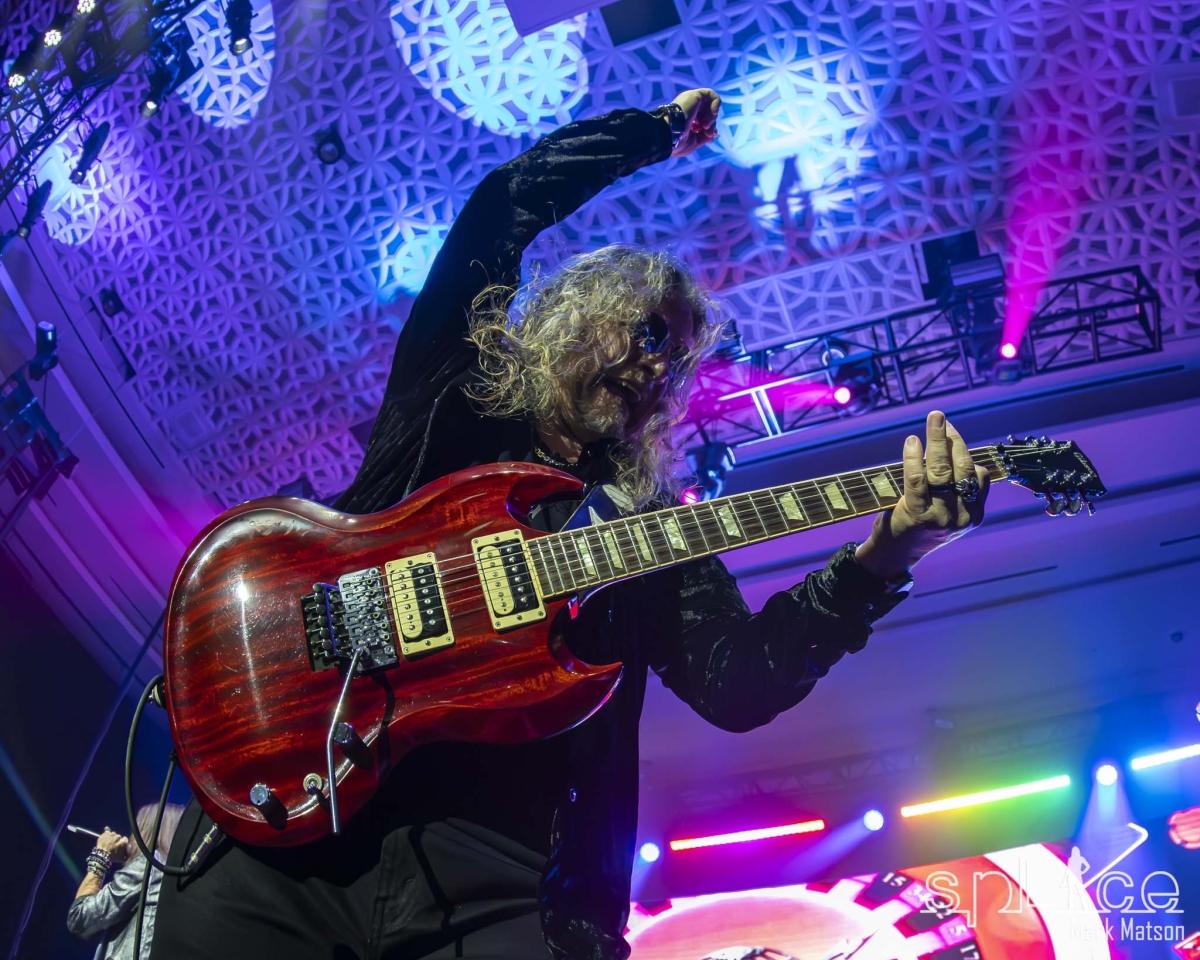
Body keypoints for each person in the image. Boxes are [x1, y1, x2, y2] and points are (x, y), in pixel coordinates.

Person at [153, 89, 989, 959]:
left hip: (500, 881)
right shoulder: (457, 400)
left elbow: (738, 681)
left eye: (676, 364)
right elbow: (499, 210)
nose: (657, 371)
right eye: (646, 334)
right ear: (576, 315)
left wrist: (884, 557)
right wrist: (652, 132)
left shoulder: (649, 526)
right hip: (302, 826)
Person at [67, 803, 185, 959]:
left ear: (146, 833)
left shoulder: (148, 866)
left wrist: (101, 855)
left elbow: (79, 918)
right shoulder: (179, 873)